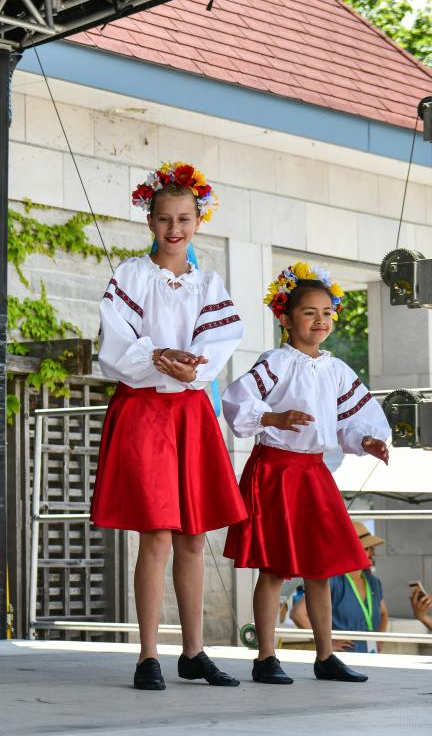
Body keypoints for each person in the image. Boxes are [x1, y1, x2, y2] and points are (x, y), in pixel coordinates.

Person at [92, 162, 247, 691]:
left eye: (184, 219)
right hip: (143, 406)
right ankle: (147, 654)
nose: (174, 229)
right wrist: (158, 357)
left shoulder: (209, 281)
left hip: (188, 411)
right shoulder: (132, 275)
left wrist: (193, 365)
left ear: (199, 221)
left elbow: (221, 337)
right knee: (155, 533)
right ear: (150, 222)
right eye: (164, 219)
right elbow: (113, 337)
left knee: (192, 535)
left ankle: (193, 651)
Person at [223, 265, 392, 684]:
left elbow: (353, 417)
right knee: (274, 568)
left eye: (327, 313)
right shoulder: (276, 362)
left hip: (314, 472)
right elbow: (237, 402)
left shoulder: (337, 370)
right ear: (285, 317)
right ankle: (265, 656)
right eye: (309, 313)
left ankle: (325, 654)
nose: (320, 321)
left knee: (320, 567)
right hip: (276, 471)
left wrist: (366, 440)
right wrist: (275, 417)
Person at [290, 522, 391, 660]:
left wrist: (380, 640)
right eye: (368, 548)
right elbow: (298, 614)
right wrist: (328, 644)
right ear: (352, 550)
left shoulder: (373, 582)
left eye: (372, 548)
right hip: (343, 661)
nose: (373, 552)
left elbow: (384, 614)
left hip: (372, 658)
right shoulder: (332, 581)